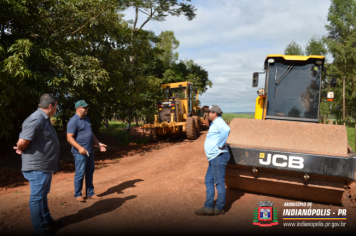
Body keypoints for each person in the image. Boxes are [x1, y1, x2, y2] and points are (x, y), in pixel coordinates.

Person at [13, 94, 63, 234]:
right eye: (56, 106)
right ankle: (39, 229)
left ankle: (46, 219)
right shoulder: (36, 119)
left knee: (43, 195)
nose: (56, 108)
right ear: (50, 106)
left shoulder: (44, 119)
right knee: (37, 197)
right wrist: (21, 148)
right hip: (37, 166)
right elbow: (22, 142)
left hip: (44, 166)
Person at [67, 100, 107, 202]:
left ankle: (90, 193)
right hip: (80, 152)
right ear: (78, 108)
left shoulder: (87, 119)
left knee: (90, 172)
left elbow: (91, 133)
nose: (86, 109)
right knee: (80, 173)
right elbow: (69, 138)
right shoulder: (73, 121)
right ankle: (78, 194)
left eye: (87, 108)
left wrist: (98, 144)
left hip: (90, 151)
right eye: (84, 108)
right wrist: (80, 148)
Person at [195, 105, 231, 216]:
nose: (208, 113)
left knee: (219, 183)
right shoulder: (215, 123)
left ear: (215, 114)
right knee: (208, 180)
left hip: (218, 156)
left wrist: (220, 145)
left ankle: (219, 208)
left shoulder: (219, 122)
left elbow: (227, 129)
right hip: (214, 157)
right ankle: (208, 207)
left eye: (209, 112)